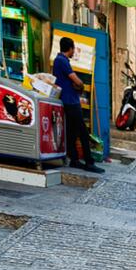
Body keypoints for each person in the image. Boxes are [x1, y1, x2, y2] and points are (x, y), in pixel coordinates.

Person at [53, 37, 104, 174]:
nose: (73, 51)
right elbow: (77, 81)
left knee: (72, 131)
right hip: (71, 101)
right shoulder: (62, 61)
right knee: (82, 131)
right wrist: (80, 85)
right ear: (70, 48)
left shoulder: (59, 61)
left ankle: (74, 159)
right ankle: (89, 161)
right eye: (73, 48)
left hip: (67, 99)